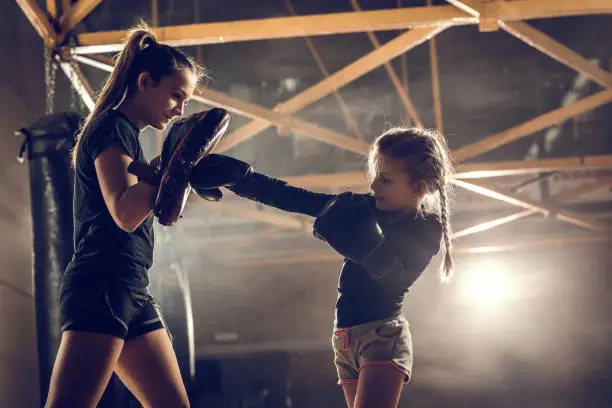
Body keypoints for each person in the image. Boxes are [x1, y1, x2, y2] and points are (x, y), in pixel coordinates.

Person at [188, 127, 454, 408]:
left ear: (420, 188)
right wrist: (242, 180)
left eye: (386, 179)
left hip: (382, 336)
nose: (374, 186)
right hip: (344, 338)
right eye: (374, 175)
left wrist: (365, 245)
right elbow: (295, 198)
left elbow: (396, 280)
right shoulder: (363, 207)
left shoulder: (427, 228)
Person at [45, 24, 205, 408]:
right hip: (103, 282)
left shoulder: (128, 135)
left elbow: (147, 203)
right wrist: (173, 166)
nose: (181, 109)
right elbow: (124, 213)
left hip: (131, 286)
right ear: (145, 82)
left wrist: (176, 176)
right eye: (175, 95)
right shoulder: (112, 127)